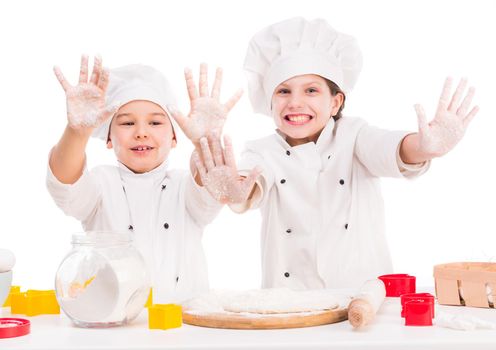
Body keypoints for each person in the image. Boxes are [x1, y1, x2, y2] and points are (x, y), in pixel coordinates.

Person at [193, 17, 479, 289]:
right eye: (283, 91)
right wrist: (232, 186)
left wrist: (423, 147)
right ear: (269, 102)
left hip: (361, 296)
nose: (295, 102)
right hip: (288, 302)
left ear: (335, 101)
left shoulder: (355, 136)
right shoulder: (262, 151)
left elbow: (390, 148)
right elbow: (246, 180)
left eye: (311, 90)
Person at [46, 56, 241, 301]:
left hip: (185, 328)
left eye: (155, 122)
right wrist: (77, 132)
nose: (141, 133)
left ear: (174, 137)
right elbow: (65, 185)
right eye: (127, 122)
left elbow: (207, 189)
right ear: (108, 138)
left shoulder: (184, 186)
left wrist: (203, 142)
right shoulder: (101, 183)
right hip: (110, 324)